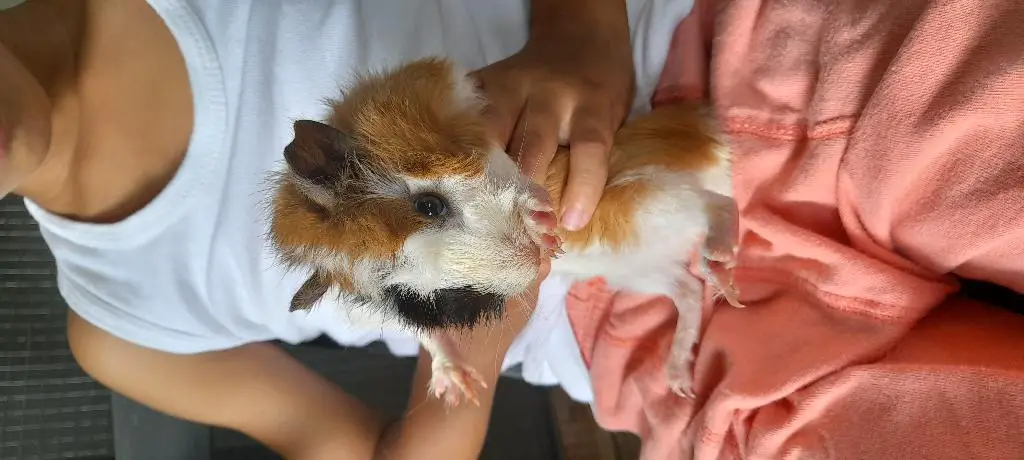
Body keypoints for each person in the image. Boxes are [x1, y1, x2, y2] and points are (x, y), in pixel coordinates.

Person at [0, 0, 692, 458]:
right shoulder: (122, 326)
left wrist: (581, 27)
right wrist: (478, 341)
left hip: (674, 53)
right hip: (638, 321)